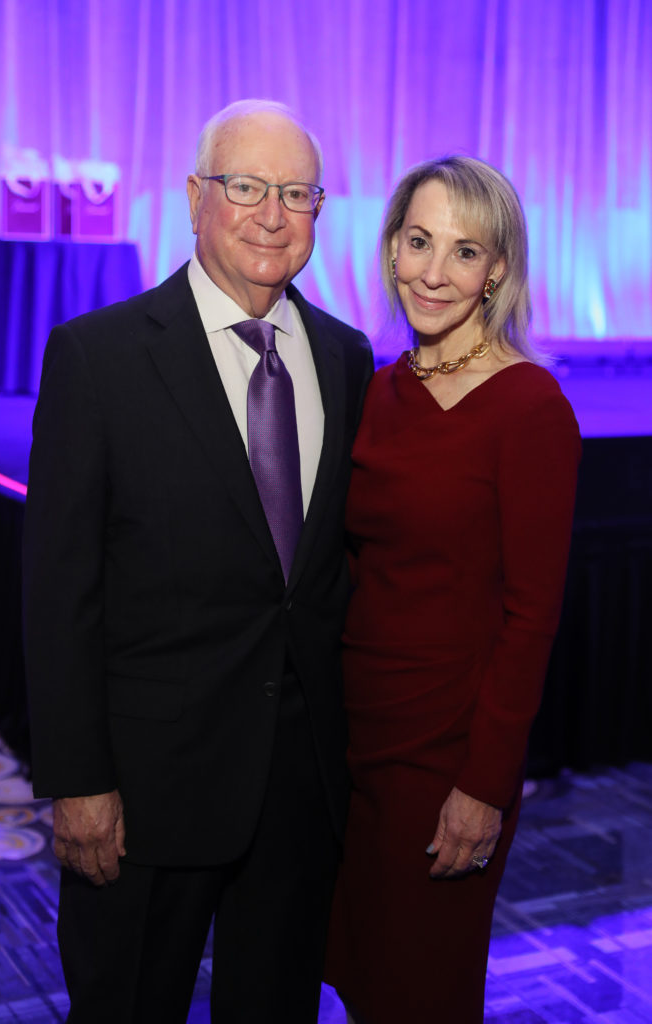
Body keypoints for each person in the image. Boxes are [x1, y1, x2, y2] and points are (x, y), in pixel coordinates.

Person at [22, 99, 373, 1024]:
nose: (271, 214)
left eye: (295, 193)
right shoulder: (96, 358)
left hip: (298, 797)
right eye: (246, 187)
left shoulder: (346, 358)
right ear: (194, 197)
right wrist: (79, 781)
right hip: (144, 798)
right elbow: (59, 596)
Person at [324, 156, 581, 1023]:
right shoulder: (377, 390)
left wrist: (483, 786)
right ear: (391, 248)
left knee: (419, 991)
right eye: (418, 241)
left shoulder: (529, 406)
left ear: (496, 269)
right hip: (348, 738)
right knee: (360, 977)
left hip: (444, 754)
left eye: (463, 252)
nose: (433, 272)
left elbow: (531, 615)